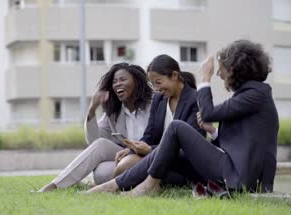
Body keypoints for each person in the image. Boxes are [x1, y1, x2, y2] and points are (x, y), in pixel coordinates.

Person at [87, 39, 279, 195]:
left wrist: (204, 78)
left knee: (176, 127)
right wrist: (213, 131)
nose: (219, 74)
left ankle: (144, 186)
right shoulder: (251, 94)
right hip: (234, 170)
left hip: (243, 178)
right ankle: (114, 186)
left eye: (223, 68)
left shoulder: (256, 94)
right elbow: (238, 141)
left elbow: (208, 112)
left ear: (236, 69)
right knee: (166, 150)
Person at [37, 63, 153, 192]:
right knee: (101, 171)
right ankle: (56, 185)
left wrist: (134, 150)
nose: (117, 84)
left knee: (115, 169)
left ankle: (128, 182)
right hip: (126, 158)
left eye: (123, 79)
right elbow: (93, 142)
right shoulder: (114, 113)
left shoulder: (154, 106)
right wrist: (92, 109)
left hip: (151, 153)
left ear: (137, 82)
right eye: (114, 82)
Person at [112, 54, 205, 183]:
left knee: (127, 167)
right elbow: (149, 135)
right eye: (152, 84)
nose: (156, 88)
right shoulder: (159, 99)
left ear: (174, 75)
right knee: (125, 164)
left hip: (183, 166)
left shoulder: (195, 99)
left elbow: (191, 149)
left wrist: (151, 150)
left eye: (158, 82)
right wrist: (132, 149)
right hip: (157, 158)